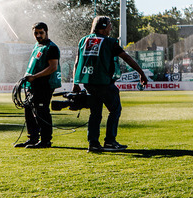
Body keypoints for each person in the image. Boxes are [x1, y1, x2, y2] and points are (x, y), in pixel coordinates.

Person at [71, 16, 149, 153]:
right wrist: (141, 72)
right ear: (103, 26)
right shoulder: (110, 42)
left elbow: (77, 62)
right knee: (115, 110)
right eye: (109, 25)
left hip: (88, 82)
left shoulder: (84, 40)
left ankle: (93, 143)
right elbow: (126, 57)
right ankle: (110, 141)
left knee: (95, 114)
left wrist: (75, 82)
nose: (111, 28)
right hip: (104, 82)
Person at [16, 22, 61, 149]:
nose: (38, 35)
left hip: (44, 85)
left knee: (42, 111)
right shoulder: (37, 46)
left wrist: (35, 77)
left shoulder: (51, 48)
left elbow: (53, 67)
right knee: (29, 109)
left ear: (46, 32)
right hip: (33, 85)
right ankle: (33, 138)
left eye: (41, 32)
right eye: (36, 33)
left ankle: (46, 140)